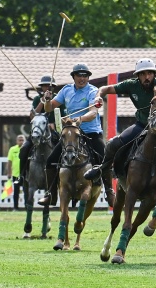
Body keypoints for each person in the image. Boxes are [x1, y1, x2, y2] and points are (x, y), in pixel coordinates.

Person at [84, 58, 156, 201]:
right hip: (142, 125)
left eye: (149, 73)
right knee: (112, 144)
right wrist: (98, 97)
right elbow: (105, 89)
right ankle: (102, 169)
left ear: (154, 74)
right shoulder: (131, 85)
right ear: (138, 76)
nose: (147, 77)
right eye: (143, 74)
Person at [37, 64, 106, 206]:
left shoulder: (92, 91)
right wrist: (47, 100)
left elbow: (93, 112)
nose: (82, 78)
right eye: (79, 75)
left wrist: (80, 119)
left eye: (85, 76)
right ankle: (51, 194)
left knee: (105, 157)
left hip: (90, 132)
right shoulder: (66, 90)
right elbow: (49, 108)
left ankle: (110, 191)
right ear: (73, 77)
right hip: (72, 134)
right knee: (51, 161)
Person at [18, 76, 65, 179]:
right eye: (44, 86)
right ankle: (22, 175)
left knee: (65, 149)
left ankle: (63, 175)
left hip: (54, 132)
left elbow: (64, 116)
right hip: (37, 132)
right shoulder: (36, 99)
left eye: (49, 86)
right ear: (42, 87)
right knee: (24, 149)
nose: (47, 87)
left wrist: (54, 123)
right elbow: (32, 115)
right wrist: (42, 101)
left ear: (53, 87)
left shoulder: (59, 98)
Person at [7, 134, 26, 211]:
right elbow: (9, 161)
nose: (21, 141)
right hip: (16, 174)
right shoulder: (12, 149)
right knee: (16, 192)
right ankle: (15, 207)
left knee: (26, 192)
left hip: (25, 174)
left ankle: (27, 207)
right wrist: (9, 173)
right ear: (16, 141)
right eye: (19, 140)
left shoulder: (27, 149)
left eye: (22, 140)